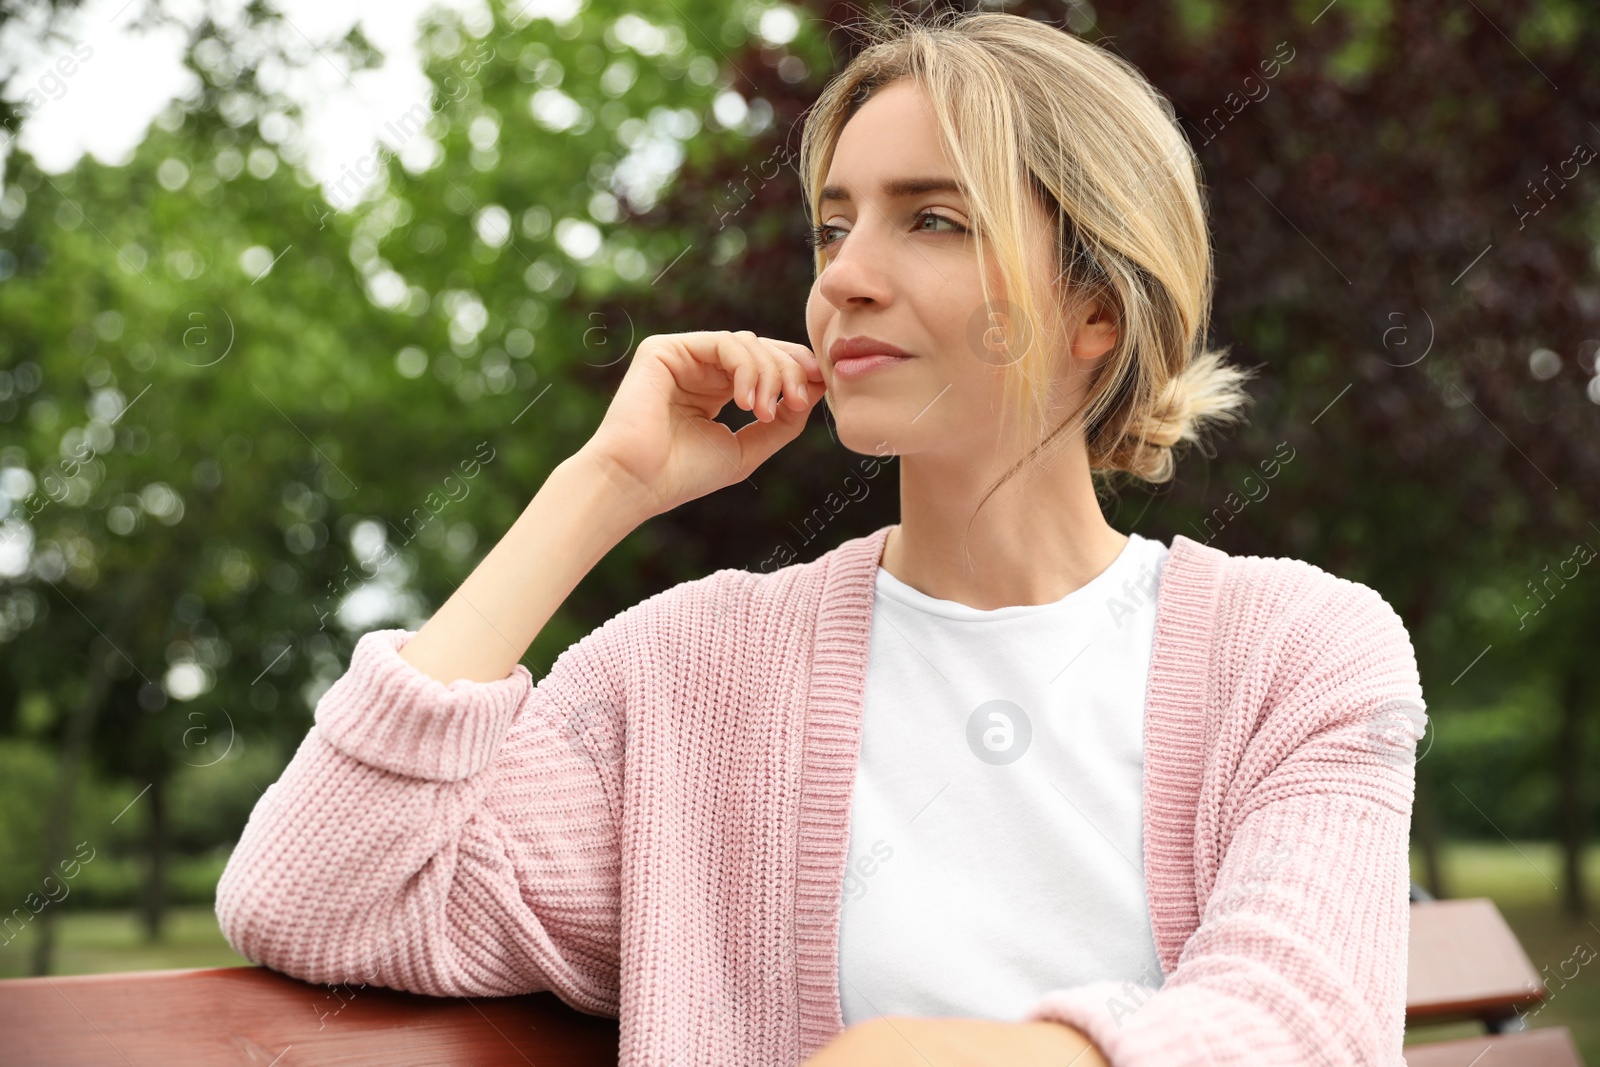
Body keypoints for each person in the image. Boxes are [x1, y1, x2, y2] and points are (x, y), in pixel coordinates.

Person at [215, 10, 1427, 1066]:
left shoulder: (1302, 649)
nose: (844, 275)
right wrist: (600, 486)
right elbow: (316, 896)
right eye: (832, 226)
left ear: (1096, 307)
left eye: (933, 220)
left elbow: (1302, 1023)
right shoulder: (690, 671)